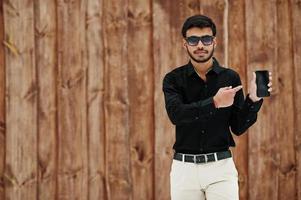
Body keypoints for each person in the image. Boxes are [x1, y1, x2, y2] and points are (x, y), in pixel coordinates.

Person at [162, 15, 272, 200]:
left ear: (215, 42)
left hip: (220, 167)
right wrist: (214, 102)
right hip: (184, 170)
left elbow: (238, 126)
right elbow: (176, 115)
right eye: (193, 40)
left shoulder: (230, 77)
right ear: (184, 43)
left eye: (206, 39)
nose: (200, 45)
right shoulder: (173, 79)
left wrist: (253, 99)